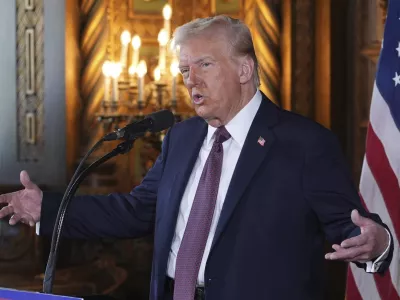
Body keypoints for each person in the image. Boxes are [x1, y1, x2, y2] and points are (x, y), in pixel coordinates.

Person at [0, 16, 393, 300]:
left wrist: (375, 243)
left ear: (245, 69)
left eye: (204, 64)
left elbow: (352, 227)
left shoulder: (305, 142)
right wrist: (46, 210)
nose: (190, 80)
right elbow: (135, 211)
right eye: (184, 69)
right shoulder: (182, 137)